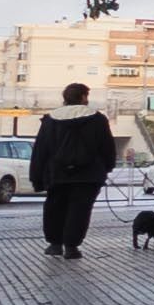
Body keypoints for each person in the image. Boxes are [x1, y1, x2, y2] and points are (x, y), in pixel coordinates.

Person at [30, 83, 119, 258]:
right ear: (83, 97)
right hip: (88, 175)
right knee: (80, 211)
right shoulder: (97, 119)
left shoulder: (50, 120)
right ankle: (72, 247)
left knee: (55, 208)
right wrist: (107, 167)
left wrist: (37, 176)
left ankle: (55, 244)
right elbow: (107, 147)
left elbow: (41, 150)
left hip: (56, 174)